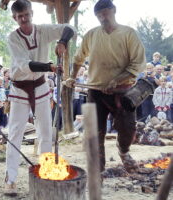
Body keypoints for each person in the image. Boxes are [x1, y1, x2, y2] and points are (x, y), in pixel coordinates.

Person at [65, 0, 146, 174]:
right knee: (95, 132)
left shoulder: (129, 33)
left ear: (114, 10)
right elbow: (78, 58)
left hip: (124, 91)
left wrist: (117, 80)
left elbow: (137, 64)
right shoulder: (92, 35)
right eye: (99, 15)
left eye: (105, 13)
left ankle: (124, 151)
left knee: (128, 129)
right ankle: (97, 169)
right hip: (95, 91)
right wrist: (72, 77)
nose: (103, 17)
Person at [5, 0, 75, 195]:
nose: (24, 19)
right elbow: (24, 64)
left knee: (45, 131)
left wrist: (62, 42)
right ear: (14, 18)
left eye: (26, 14)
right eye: (19, 17)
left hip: (41, 86)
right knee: (15, 134)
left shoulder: (43, 30)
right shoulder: (13, 38)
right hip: (20, 88)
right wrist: (50, 67)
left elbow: (69, 27)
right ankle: (10, 179)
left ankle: (46, 172)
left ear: (31, 13)